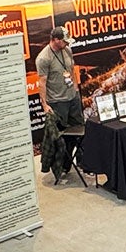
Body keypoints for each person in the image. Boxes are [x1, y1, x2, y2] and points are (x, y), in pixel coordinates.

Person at [36, 26, 84, 183]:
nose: (66, 43)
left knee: (81, 130)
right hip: (57, 102)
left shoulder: (67, 50)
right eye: (64, 41)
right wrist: (44, 105)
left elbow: (71, 69)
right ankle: (62, 167)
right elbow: (42, 83)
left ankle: (83, 163)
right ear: (55, 40)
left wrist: (75, 88)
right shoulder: (44, 58)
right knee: (62, 137)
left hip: (72, 99)